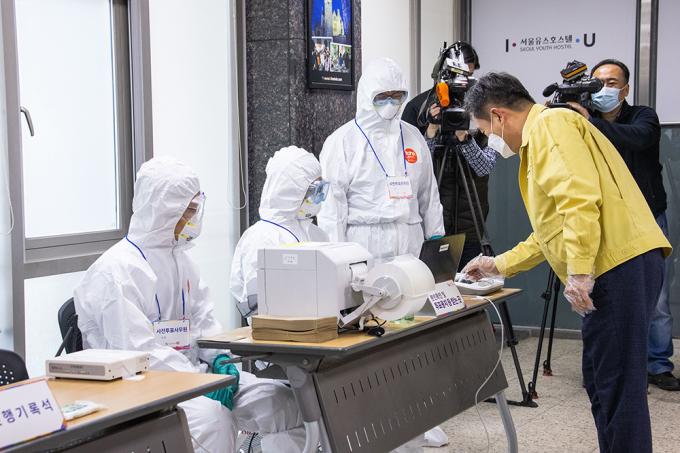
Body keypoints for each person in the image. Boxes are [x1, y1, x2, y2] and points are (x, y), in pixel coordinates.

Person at [461, 72, 672, 453]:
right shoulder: (546, 133)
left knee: (617, 385)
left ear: (498, 116)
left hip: (617, 264)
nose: (491, 140)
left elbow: (578, 202)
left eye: (485, 131)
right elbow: (552, 230)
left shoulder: (550, 126)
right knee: (602, 379)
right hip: (618, 262)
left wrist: (579, 273)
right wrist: (499, 265)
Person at [74, 157, 304, 453]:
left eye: (195, 209)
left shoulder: (183, 261)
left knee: (283, 403)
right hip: (144, 386)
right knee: (213, 420)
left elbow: (204, 321)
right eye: (189, 211)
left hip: (197, 374)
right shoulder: (115, 272)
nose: (194, 219)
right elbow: (140, 352)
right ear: (163, 211)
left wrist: (221, 360)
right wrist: (201, 381)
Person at [565, 58, 678, 391]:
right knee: (596, 292)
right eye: (597, 82)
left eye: (611, 83)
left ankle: (658, 365)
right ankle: (600, 364)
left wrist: (589, 123)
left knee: (655, 298)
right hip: (601, 221)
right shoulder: (584, 118)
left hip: (647, 219)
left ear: (625, 89)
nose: (603, 89)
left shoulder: (643, 116)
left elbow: (639, 138)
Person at [318, 57, 445, 264]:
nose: (391, 102)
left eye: (397, 96)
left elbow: (429, 194)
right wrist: (337, 260)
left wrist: (436, 237)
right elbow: (332, 209)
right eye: (383, 96)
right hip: (365, 246)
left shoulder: (413, 136)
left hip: (410, 244)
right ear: (367, 95)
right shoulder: (343, 141)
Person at [402, 42, 497, 266]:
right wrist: (431, 132)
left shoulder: (484, 109)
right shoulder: (419, 108)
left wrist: (465, 138)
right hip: (432, 224)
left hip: (471, 224)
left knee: (473, 281)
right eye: (457, 75)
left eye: (468, 76)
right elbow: (409, 168)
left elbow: (485, 167)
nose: (463, 84)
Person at [231, 146, 330, 316]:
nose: (319, 197)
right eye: (314, 190)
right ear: (291, 191)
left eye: (321, 188)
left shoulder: (315, 233)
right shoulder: (261, 237)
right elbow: (258, 304)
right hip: (277, 328)